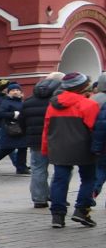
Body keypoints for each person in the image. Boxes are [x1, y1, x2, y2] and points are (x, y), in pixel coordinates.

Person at [42, 72, 99, 229]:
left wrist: (45, 148)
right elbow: (94, 128)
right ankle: (82, 210)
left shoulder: (53, 104)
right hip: (84, 147)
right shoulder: (89, 104)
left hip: (58, 147)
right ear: (81, 87)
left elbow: (46, 128)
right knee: (88, 179)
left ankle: (57, 216)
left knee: (60, 180)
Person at [20, 72, 65, 208]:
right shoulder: (59, 100)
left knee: (38, 169)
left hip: (36, 142)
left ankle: (39, 199)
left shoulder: (28, 101)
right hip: (58, 140)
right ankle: (56, 195)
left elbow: (21, 122)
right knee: (62, 169)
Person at [0, 81, 30, 174]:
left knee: (23, 148)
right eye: (13, 90)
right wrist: (13, 114)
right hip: (10, 128)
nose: (15, 92)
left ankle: (21, 168)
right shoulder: (6, 102)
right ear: (8, 92)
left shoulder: (21, 102)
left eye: (17, 90)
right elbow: (0, 113)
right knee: (7, 148)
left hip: (21, 128)